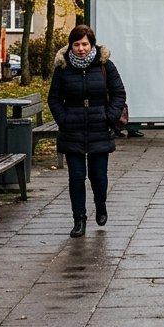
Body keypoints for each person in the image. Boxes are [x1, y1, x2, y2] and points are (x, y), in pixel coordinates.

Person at [48, 24, 126, 238]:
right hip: (72, 129)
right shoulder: (63, 68)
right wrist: (63, 119)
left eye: (84, 44)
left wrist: (109, 117)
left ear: (92, 44)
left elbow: (119, 93)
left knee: (98, 176)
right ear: (70, 46)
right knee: (76, 177)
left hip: (99, 128)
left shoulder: (105, 65)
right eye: (76, 44)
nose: (81, 49)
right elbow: (54, 98)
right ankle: (79, 219)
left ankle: (100, 205)